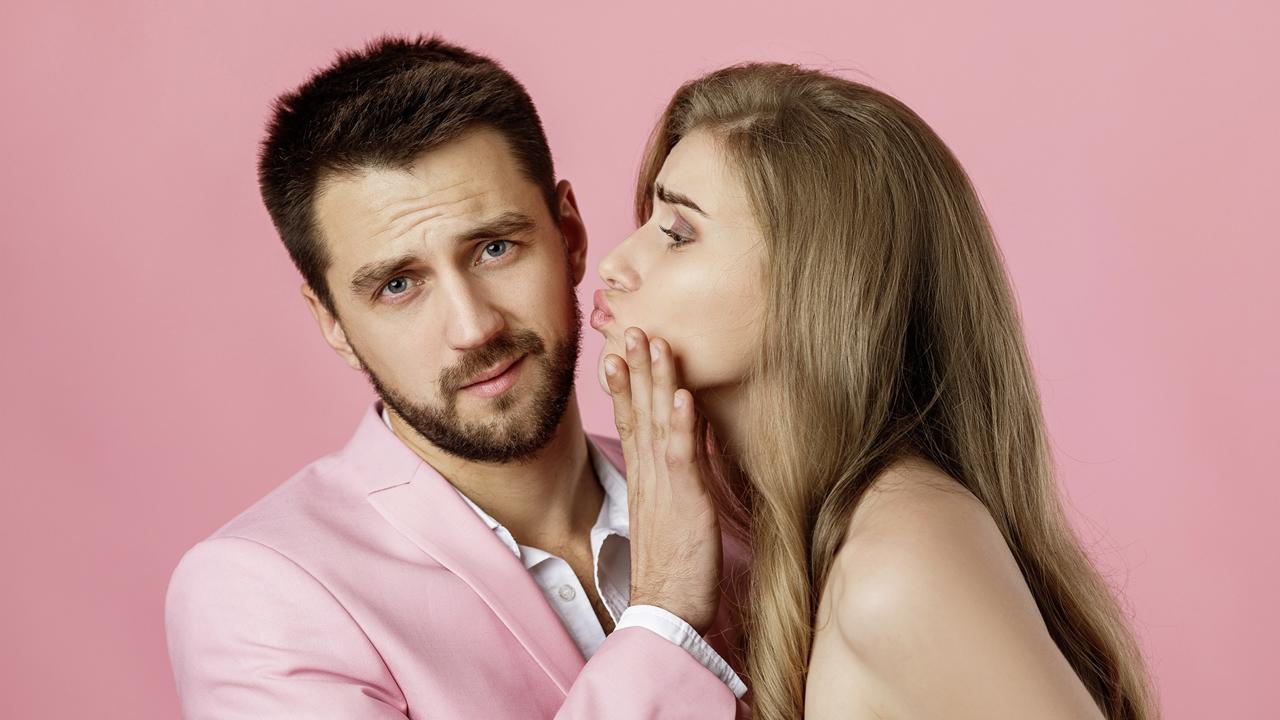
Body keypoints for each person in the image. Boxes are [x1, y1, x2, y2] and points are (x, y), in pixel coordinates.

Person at [164, 36, 749, 719]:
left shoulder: (740, 501)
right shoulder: (259, 593)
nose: (474, 327)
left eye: (495, 248)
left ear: (571, 235)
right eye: (398, 285)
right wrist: (665, 614)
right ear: (331, 323)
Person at [594, 63, 1158, 719]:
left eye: (677, 233)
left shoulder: (897, 558)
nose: (614, 263)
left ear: (818, 290)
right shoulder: (807, 546)